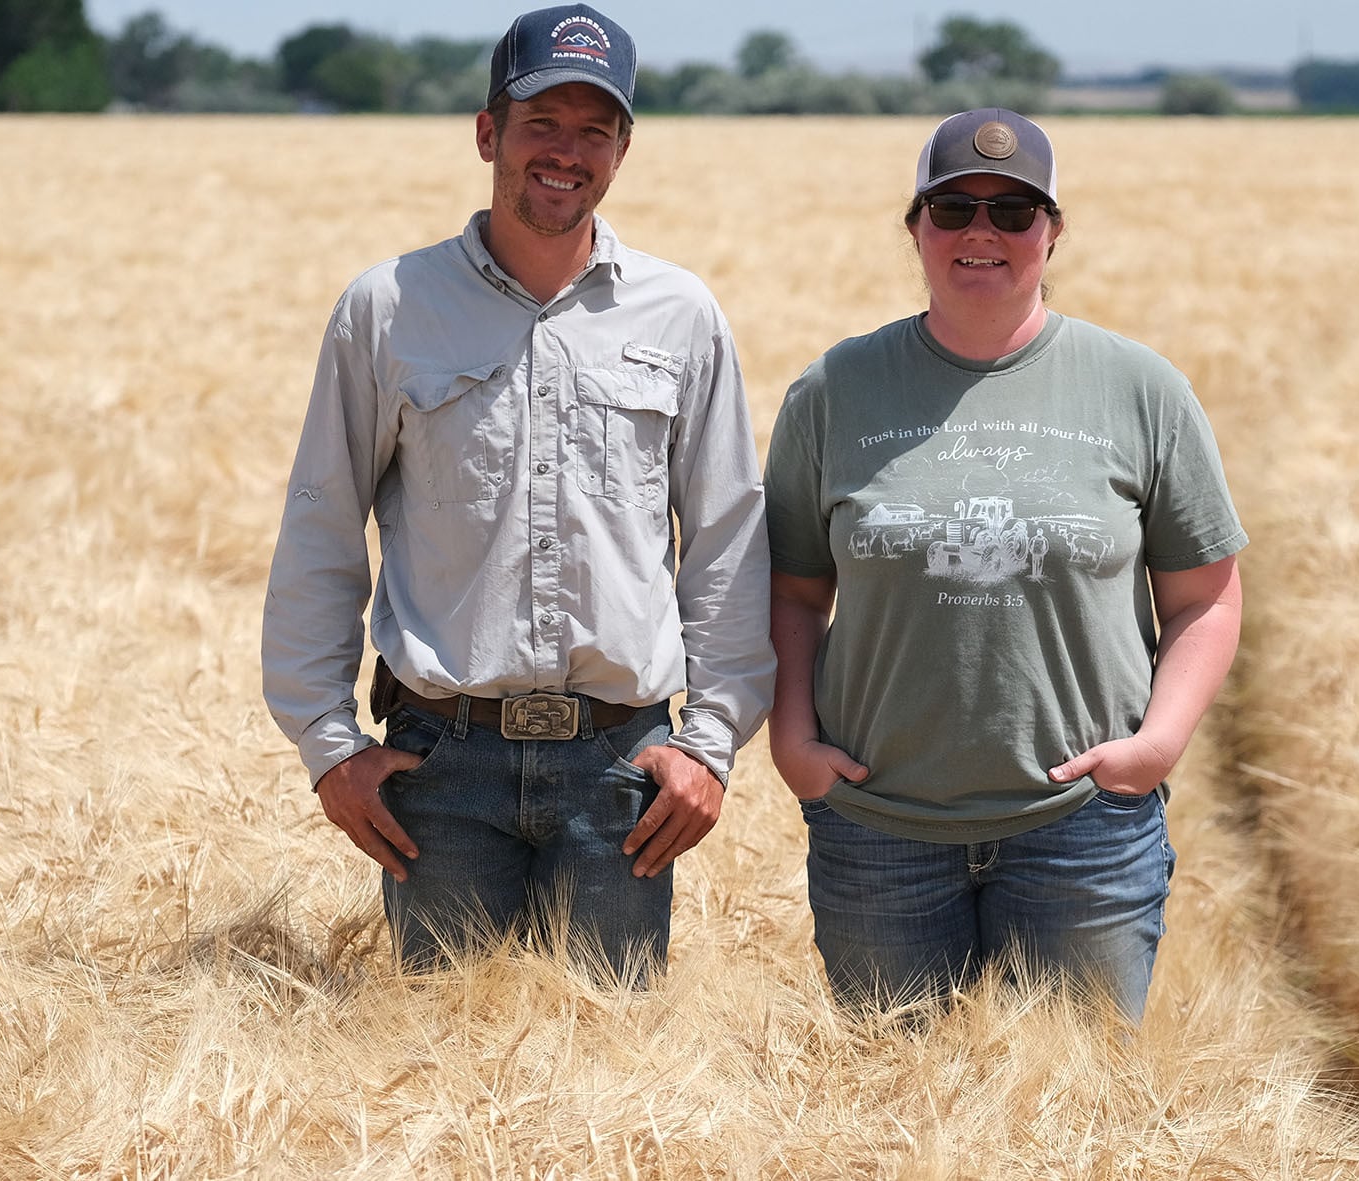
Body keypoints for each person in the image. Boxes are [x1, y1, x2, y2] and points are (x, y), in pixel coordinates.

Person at [262, 4, 772, 983]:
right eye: (542, 122)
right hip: (439, 770)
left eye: (595, 129)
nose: (566, 152)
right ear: (489, 131)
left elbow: (726, 543)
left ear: (624, 147)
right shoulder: (388, 309)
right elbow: (323, 528)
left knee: (613, 1096)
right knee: (442, 1094)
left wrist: (708, 744)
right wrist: (329, 744)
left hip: (620, 772)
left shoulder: (681, 315)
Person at [764, 109, 1246, 1022]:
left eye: (1014, 211)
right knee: (888, 1124)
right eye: (953, 207)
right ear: (915, 228)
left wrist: (1157, 747)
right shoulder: (833, 391)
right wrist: (794, 742)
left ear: (1053, 231)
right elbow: (793, 588)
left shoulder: (1141, 389)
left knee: (1081, 1126)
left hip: (1083, 836)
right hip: (880, 833)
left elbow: (1207, 598)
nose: (981, 231)